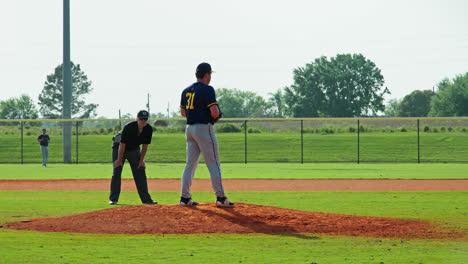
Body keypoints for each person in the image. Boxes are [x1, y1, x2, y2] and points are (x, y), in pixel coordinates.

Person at [179, 62, 234, 207]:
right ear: (206, 75)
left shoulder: (186, 90)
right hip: (204, 128)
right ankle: (221, 198)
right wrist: (215, 116)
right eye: (210, 74)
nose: (210, 77)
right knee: (213, 163)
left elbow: (183, 112)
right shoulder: (207, 89)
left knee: (190, 164)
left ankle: (184, 198)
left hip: (189, 129)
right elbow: (214, 112)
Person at [109, 110, 157, 205]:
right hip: (119, 146)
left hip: (134, 149)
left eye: (145, 119)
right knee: (117, 170)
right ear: (137, 119)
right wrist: (119, 160)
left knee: (140, 170)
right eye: (141, 119)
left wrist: (141, 161)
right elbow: (122, 144)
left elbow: (145, 146)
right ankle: (113, 199)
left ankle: (146, 199)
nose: (143, 121)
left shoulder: (148, 129)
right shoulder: (129, 127)